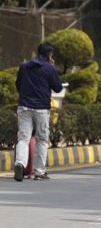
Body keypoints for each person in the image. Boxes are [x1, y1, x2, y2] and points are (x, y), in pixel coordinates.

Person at [14, 43, 63, 181]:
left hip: (24, 107)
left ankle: (20, 163)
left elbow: (18, 84)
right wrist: (52, 68)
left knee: (23, 138)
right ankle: (39, 172)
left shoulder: (24, 66)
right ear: (50, 55)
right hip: (41, 108)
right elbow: (58, 88)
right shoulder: (48, 68)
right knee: (41, 139)